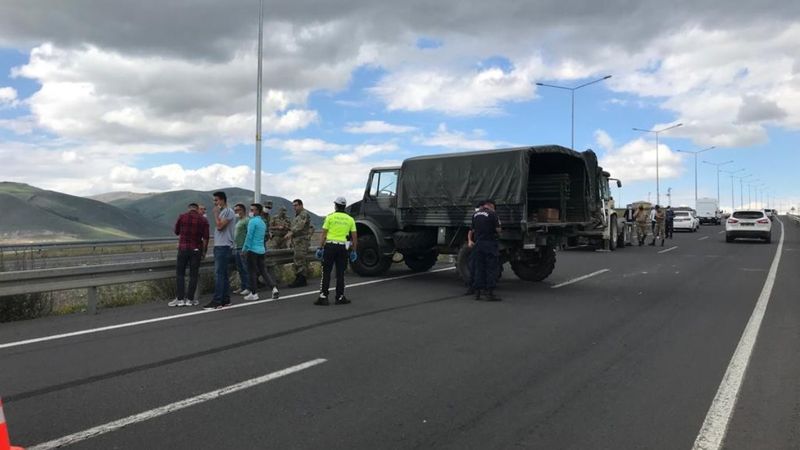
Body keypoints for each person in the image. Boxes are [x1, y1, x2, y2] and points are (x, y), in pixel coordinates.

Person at [315, 197, 358, 305]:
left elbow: (324, 234)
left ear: (336, 206)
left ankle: (323, 296)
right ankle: (339, 297)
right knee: (340, 273)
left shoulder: (330, 217)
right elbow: (354, 237)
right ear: (344, 206)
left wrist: (320, 248)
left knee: (326, 272)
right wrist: (354, 250)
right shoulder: (350, 219)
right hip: (343, 248)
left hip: (330, 246)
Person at [170, 203, 209, 307]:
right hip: (196, 250)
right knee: (193, 275)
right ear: (197, 209)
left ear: (189, 208)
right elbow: (206, 238)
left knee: (180, 274)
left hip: (183, 249)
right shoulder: (203, 220)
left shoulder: (182, 217)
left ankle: (180, 299)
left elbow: (176, 232)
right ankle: (190, 299)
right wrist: (204, 252)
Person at [204, 191, 236, 309]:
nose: (215, 203)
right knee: (223, 275)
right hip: (221, 246)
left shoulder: (228, 211)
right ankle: (225, 299)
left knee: (219, 274)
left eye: (216, 200)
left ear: (222, 200)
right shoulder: (224, 212)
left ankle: (217, 301)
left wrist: (216, 215)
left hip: (223, 246)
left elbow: (220, 227)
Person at [242, 203, 279, 301]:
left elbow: (249, 236)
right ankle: (274, 288)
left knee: (252, 272)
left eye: (252, 210)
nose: (251, 212)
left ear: (258, 211)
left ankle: (254, 293)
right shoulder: (263, 222)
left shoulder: (252, 222)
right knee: (263, 271)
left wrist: (245, 249)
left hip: (252, 250)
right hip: (261, 250)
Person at [468, 199, 502, 301]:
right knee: (491, 268)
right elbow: (498, 230)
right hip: (489, 244)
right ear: (491, 205)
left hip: (478, 244)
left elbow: (472, 230)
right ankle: (489, 293)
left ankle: (477, 292)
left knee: (479, 268)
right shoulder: (493, 214)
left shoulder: (475, 214)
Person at [286, 199, 314, 287]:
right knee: (298, 259)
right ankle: (300, 279)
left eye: (296, 205)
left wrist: (291, 232)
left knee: (299, 259)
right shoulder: (297, 216)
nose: (294, 207)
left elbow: (300, 226)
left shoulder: (303, 214)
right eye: (293, 206)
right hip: (297, 241)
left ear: (301, 205)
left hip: (302, 241)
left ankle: (301, 280)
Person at [231, 203, 250, 295]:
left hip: (243, 248)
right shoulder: (239, 221)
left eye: (237, 210)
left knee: (245, 268)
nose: (236, 212)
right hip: (236, 248)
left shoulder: (247, 220)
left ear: (242, 210)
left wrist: (246, 247)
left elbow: (249, 234)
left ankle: (248, 287)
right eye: (235, 210)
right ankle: (243, 287)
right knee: (240, 269)